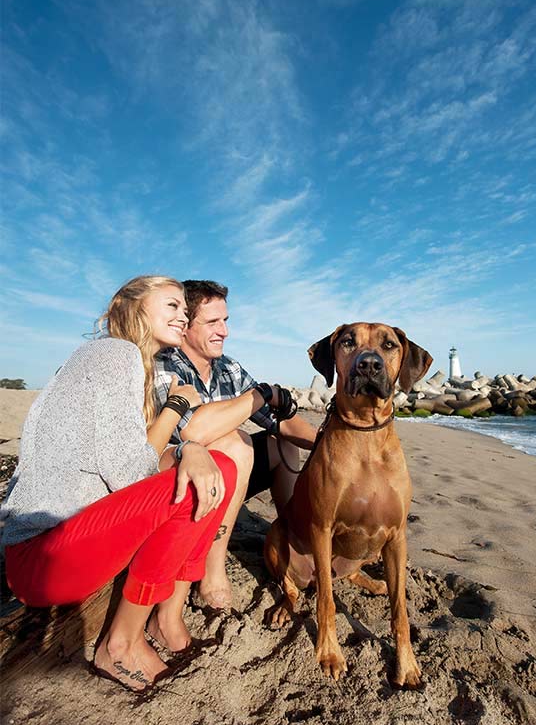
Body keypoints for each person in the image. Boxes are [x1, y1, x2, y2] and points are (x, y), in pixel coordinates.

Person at [0, 275, 275, 692]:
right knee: (206, 475)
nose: (182, 316)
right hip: (44, 557)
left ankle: (163, 620)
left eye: (185, 310)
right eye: (171, 306)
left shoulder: (127, 362)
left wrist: (184, 436)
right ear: (133, 306)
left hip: (60, 546)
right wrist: (189, 451)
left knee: (215, 467)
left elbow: (134, 459)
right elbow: (130, 473)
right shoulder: (114, 355)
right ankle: (122, 643)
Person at [154, 279, 317, 610]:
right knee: (236, 441)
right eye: (213, 322)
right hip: (177, 478)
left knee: (281, 444)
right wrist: (257, 396)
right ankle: (211, 572)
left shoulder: (228, 367)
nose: (224, 331)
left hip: (227, 473)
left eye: (225, 321)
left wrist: (327, 442)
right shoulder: (164, 364)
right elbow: (191, 431)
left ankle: (292, 541)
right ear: (185, 325)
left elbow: (277, 419)